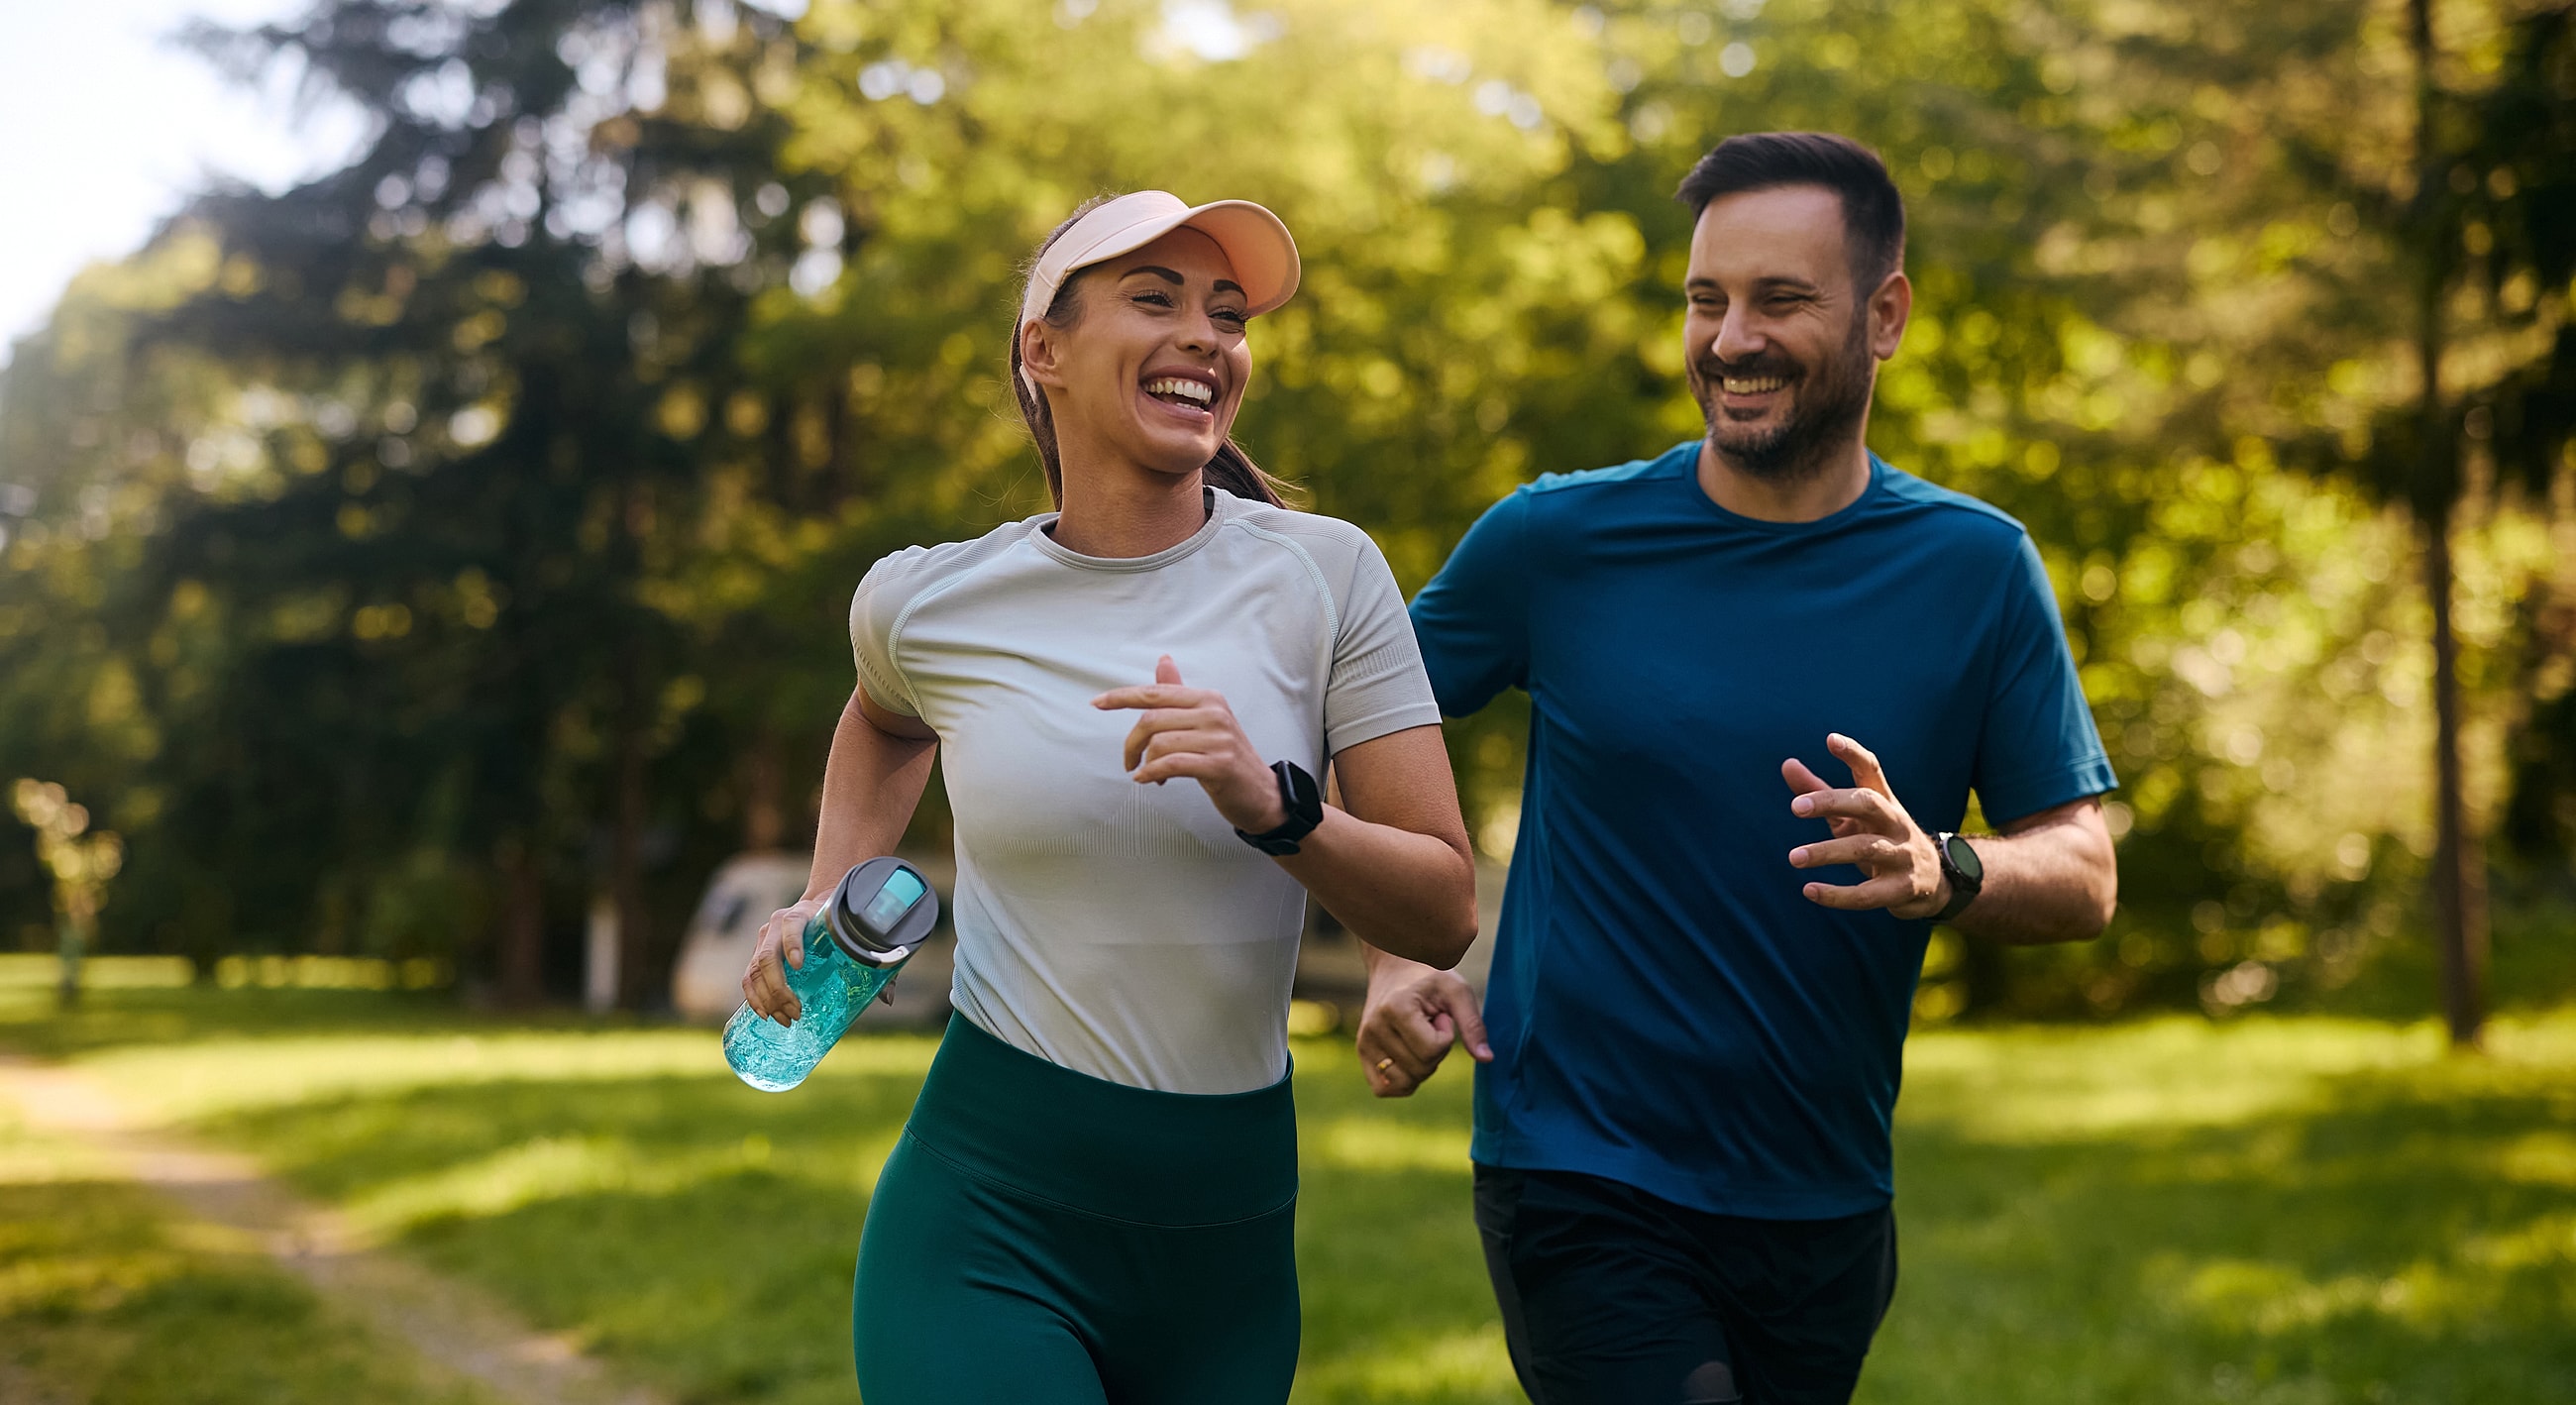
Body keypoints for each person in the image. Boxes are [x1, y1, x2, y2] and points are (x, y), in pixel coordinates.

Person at [1359, 133, 2121, 1405]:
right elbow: (1365, 729)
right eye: (1705, 300)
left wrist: (1942, 865)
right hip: (1577, 1165)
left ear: (1883, 316)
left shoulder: (1976, 569)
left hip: (1820, 1194)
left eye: (1779, 300)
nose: (1728, 339)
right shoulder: (1554, 541)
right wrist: (1398, 943)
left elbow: (2084, 867)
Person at [736, 189, 1476, 1403]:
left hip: (1227, 1241)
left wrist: (1275, 803)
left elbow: (1440, 908)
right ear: (1044, 350)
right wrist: (825, 893)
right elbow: (881, 716)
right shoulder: (930, 602)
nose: (1206, 336)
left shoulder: (1327, 574)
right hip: (988, 1214)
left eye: (1226, 315)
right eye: (1155, 299)